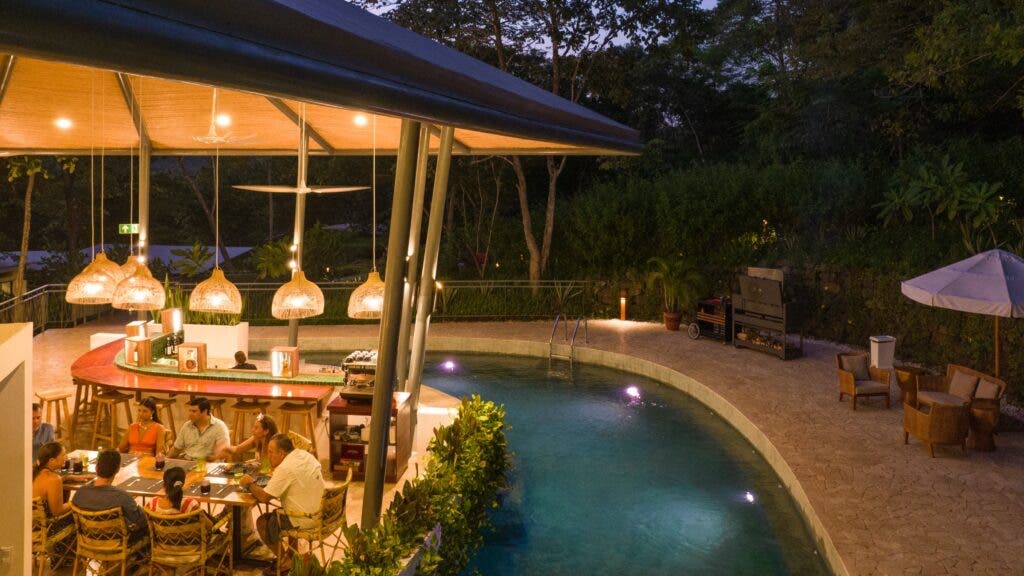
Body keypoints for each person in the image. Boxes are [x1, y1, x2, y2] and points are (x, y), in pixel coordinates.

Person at [239, 434, 323, 573]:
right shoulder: (304, 455)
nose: (268, 455)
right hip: (321, 512)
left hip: (306, 519)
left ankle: (285, 562)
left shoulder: (285, 468)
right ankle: (292, 556)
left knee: (263, 522)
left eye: (271, 452)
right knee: (284, 509)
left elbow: (264, 497)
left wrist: (249, 484)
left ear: (282, 453)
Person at [70, 449, 147, 539]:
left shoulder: (80, 493)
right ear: (117, 469)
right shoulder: (122, 497)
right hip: (117, 541)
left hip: (88, 538)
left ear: (96, 468)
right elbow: (139, 520)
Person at [167, 397, 230, 461]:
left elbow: (222, 452)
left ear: (205, 411)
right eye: (189, 411)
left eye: (194, 411)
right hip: (187, 461)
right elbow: (176, 449)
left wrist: (214, 458)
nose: (190, 414)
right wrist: (165, 460)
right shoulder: (187, 425)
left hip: (207, 464)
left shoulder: (219, 427)